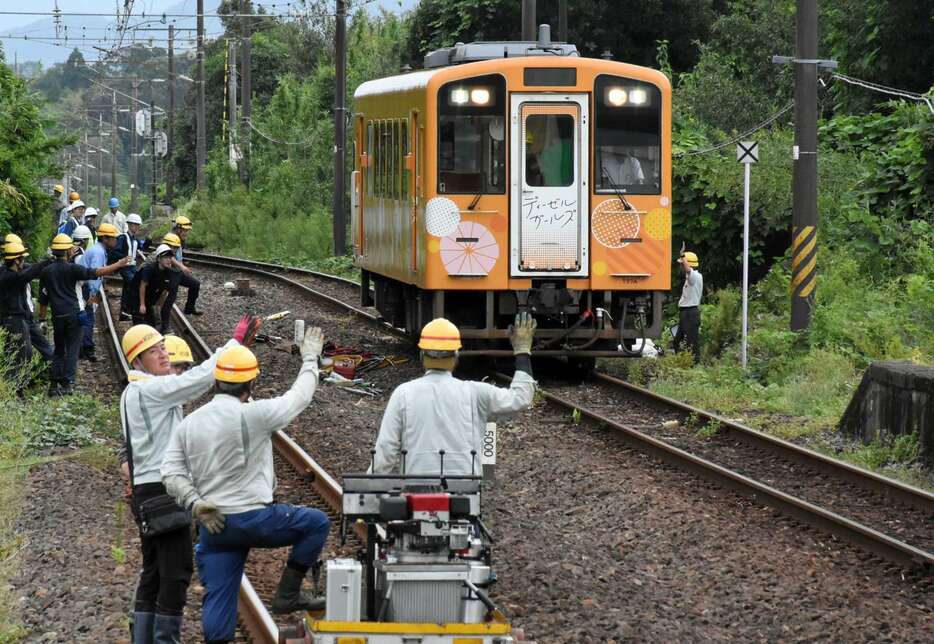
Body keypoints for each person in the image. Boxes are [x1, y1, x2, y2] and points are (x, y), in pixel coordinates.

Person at [162, 327, 330, 642]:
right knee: (316, 523)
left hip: (216, 526)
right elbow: (299, 396)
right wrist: (310, 358)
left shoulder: (190, 423)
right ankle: (288, 595)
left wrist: (196, 503)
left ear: (216, 382)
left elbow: (170, 471)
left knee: (219, 595)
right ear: (251, 383)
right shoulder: (256, 414)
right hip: (257, 520)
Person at [120, 316, 260, 644]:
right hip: (163, 490)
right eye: (154, 353)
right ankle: (165, 640)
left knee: (154, 572)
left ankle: (144, 639)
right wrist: (234, 345)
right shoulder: (149, 389)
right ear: (138, 361)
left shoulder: (135, 392)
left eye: (162, 348)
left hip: (147, 491)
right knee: (176, 571)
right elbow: (197, 380)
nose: (164, 355)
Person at [372, 315, 537, 475]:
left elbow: (385, 451)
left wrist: (369, 489)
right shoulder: (476, 393)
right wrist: (522, 350)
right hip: (466, 490)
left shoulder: (403, 394)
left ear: (422, 356)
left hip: (416, 490)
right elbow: (520, 398)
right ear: (456, 357)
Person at [37, 234, 130, 396]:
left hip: (57, 317)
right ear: (67, 251)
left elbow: (43, 298)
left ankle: (53, 385)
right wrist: (118, 264)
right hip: (75, 314)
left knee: (59, 349)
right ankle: (67, 383)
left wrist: (42, 319)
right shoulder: (73, 269)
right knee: (72, 349)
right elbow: (97, 272)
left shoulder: (46, 272)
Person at [0, 238, 53, 393]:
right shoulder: (10, 277)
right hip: (14, 320)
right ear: (17, 261)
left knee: (19, 353)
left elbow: (29, 270)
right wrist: (48, 260)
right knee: (21, 355)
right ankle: (15, 389)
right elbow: (28, 274)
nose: (24, 262)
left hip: (14, 320)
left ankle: (16, 388)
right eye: (22, 259)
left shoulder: (5, 271)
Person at [76, 222, 121, 363]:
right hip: (85, 287)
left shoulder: (99, 250)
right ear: (105, 239)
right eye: (113, 238)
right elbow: (94, 273)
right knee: (88, 319)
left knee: (87, 318)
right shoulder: (98, 252)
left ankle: (83, 348)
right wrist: (93, 293)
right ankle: (86, 349)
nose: (116, 240)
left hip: (84, 285)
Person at [130, 245, 177, 331]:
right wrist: (142, 305)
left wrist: (157, 306)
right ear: (158, 259)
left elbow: (165, 291)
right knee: (139, 321)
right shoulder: (149, 269)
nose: (168, 260)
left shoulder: (169, 272)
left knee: (151, 324)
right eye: (165, 257)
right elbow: (142, 286)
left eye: (170, 258)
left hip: (151, 295)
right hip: (137, 295)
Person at [165, 217, 201, 316]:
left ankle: (189, 308)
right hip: (170, 273)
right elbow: (168, 256)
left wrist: (182, 266)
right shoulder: (170, 238)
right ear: (178, 229)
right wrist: (182, 267)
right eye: (185, 230)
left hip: (177, 272)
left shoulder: (179, 239)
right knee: (172, 295)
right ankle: (164, 317)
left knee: (195, 284)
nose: (186, 233)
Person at [673, 251, 703, 364]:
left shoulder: (694, 276)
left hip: (690, 313)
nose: (681, 266)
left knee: (692, 342)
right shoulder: (692, 277)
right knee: (678, 341)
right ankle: (682, 363)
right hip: (687, 313)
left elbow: (688, 269)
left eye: (682, 264)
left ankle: (694, 365)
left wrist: (682, 256)